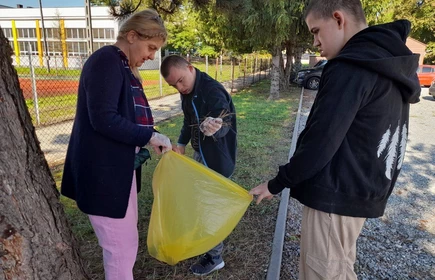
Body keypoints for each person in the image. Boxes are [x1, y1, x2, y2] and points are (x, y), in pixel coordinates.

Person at [249, 0, 421, 279]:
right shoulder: (384, 62)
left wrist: (277, 183)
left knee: (325, 272)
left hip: (336, 194)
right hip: (359, 191)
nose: (315, 41)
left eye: (316, 30)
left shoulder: (350, 67)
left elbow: (320, 142)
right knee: (339, 268)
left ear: (339, 19)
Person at [61, 9, 172, 280]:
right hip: (103, 176)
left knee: (126, 243)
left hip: (119, 174)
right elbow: (104, 118)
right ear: (132, 36)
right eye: (150, 47)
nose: (151, 56)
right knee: (120, 249)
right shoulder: (106, 61)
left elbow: (124, 117)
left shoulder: (122, 66)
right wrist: (148, 136)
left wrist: (151, 134)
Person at [160, 55, 237, 276]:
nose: (179, 87)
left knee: (209, 209)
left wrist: (216, 127)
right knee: (200, 204)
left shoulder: (212, 91)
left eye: (181, 80)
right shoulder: (187, 92)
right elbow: (188, 120)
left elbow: (224, 120)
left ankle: (215, 257)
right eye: (173, 85)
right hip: (199, 156)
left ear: (190, 68)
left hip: (217, 161)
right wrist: (182, 143)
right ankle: (207, 244)